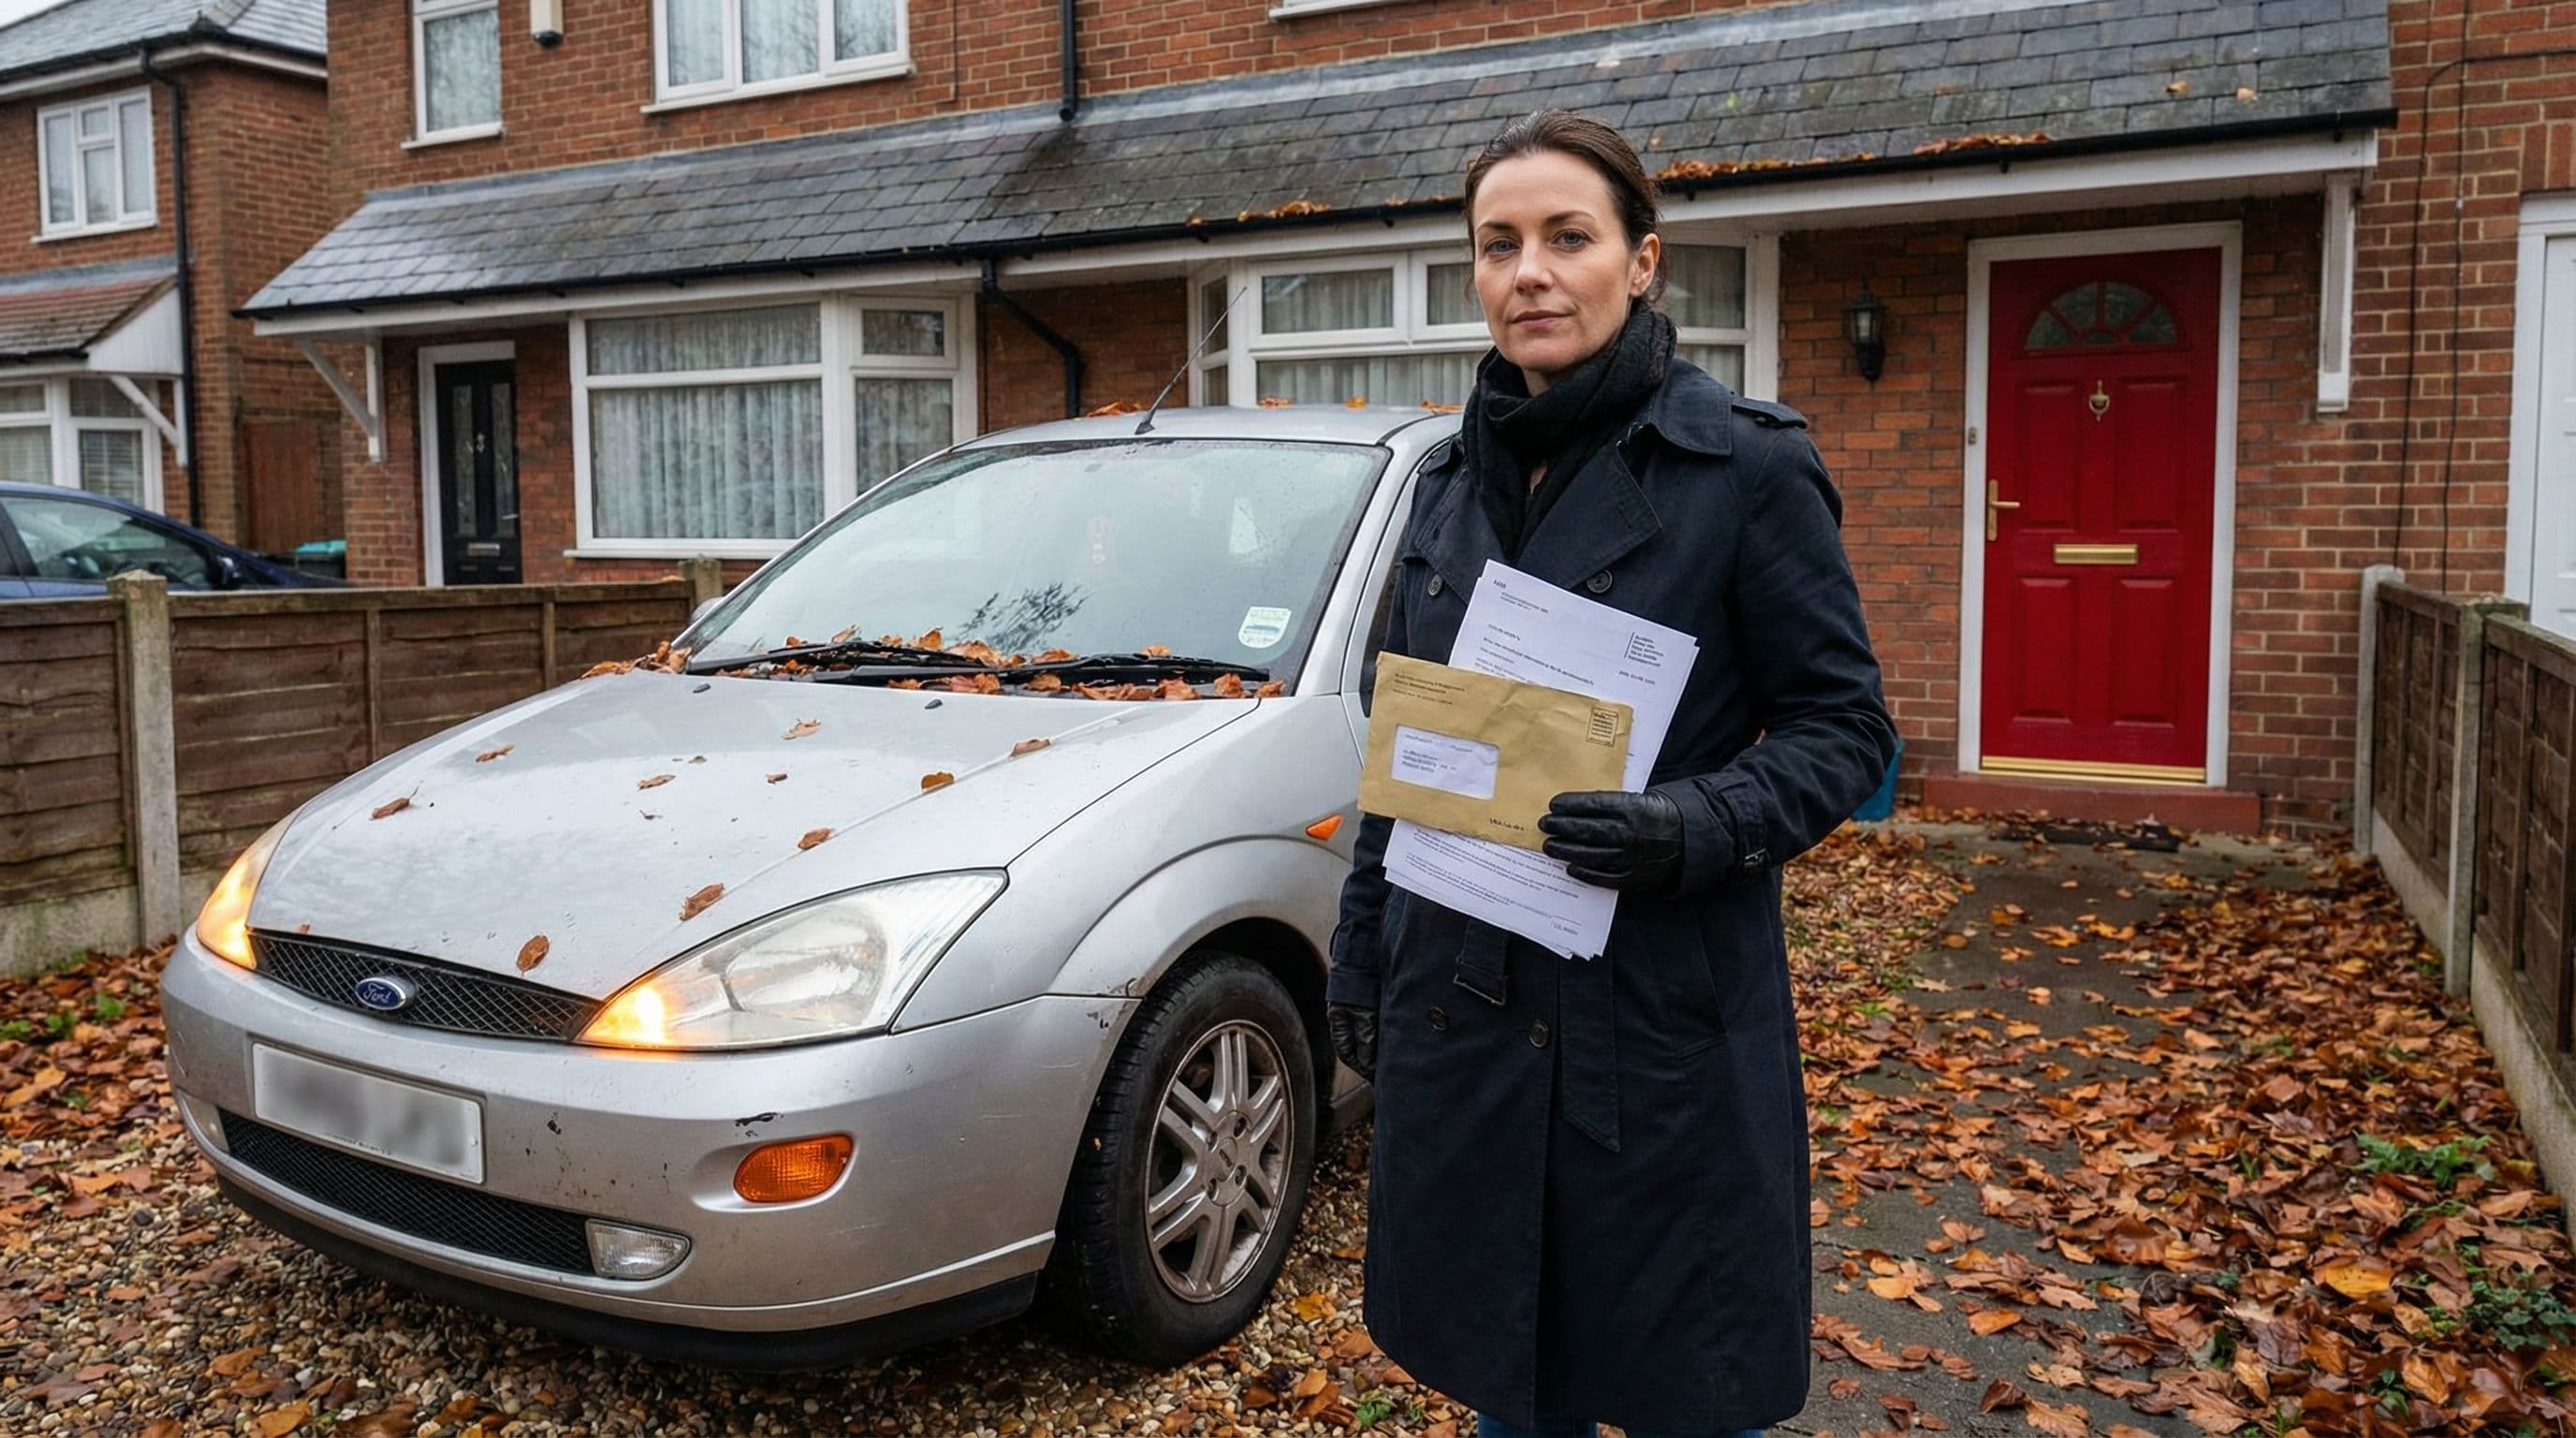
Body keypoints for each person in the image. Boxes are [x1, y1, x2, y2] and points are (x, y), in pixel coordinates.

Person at [1322, 110, 1899, 1438]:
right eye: (1498, 244)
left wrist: (1690, 824)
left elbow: (1846, 729)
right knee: (1507, 1381)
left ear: (1642, 261)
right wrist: (1360, 961)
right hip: (1463, 1001)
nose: (1529, 270)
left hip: (1658, 1019)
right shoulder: (1445, 481)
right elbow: (1403, 752)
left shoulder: (1747, 469)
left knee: (1679, 1377)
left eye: (1566, 238)